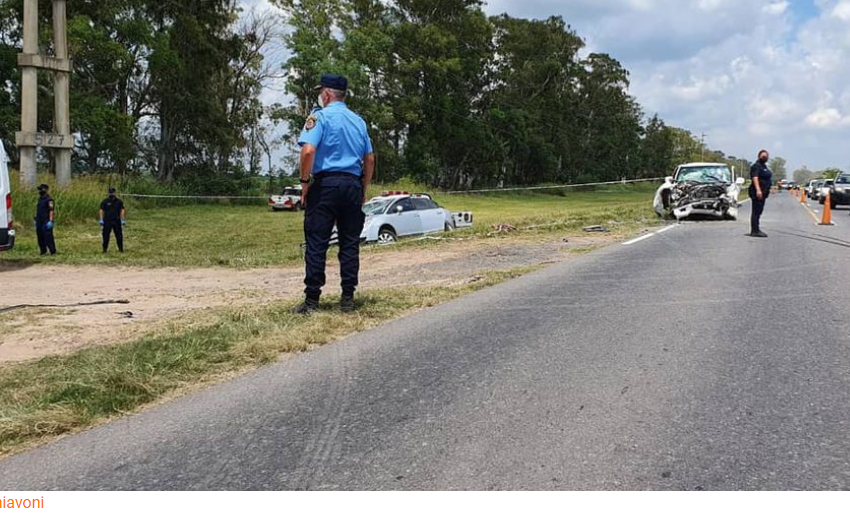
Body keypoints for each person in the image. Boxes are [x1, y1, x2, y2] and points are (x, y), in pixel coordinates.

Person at [294, 73, 375, 314]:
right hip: (352, 184)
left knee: (317, 242)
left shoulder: (319, 117)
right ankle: (348, 298)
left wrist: (305, 182)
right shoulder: (358, 121)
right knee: (349, 243)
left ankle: (312, 301)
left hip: (326, 185)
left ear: (326, 94)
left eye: (321, 93)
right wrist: (363, 187)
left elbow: (308, 151)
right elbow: (369, 158)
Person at [748, 149, 773, 238]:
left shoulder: (764, 166)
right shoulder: (756, 166)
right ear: (759, 156)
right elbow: (755, 177)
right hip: (757, 192)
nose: (765, 158)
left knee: (759, 211)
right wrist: (758, 190)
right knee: (756, 211)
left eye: (766, 156)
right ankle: (754, 230)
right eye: (763, 156)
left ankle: (756, 229)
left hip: (764, 192)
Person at [99, 187, 126, 253]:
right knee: (105, 236)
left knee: (119, 235)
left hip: (116, 221)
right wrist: (101, 219)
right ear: (108, 193)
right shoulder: (105, 201)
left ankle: (121, 249)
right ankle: (104, 250)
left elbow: (122, 210)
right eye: (110, 192)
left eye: (113, 192)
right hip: (107, 221)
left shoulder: (119, 202)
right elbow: (101, 210)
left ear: (115, 193)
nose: (111, 193)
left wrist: (122, 219)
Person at [34, 183, 56, 255]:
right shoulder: (40, 199)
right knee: (40, 236)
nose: (40, 191)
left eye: (41, 189)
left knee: (48, 236)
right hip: (39, 220)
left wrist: (51, 220)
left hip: (46, 220)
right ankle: (43, 251)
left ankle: (52, 251)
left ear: (46, 190)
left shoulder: (49, 200)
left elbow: (51, 210)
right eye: (39, 189)